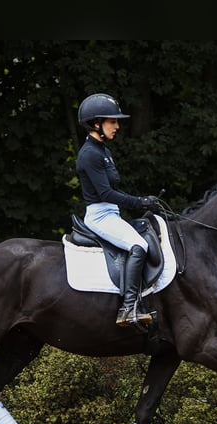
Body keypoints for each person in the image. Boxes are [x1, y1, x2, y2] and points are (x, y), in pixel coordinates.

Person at [76, 93, 159, 327]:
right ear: (96, 124)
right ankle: (128, 307)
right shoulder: (90, 154)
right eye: (112, 121)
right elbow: (105, 194)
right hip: (100, 215)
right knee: (138, 245)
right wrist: (141, 201)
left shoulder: (103, 150)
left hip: (111, 213)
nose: (117, 126)